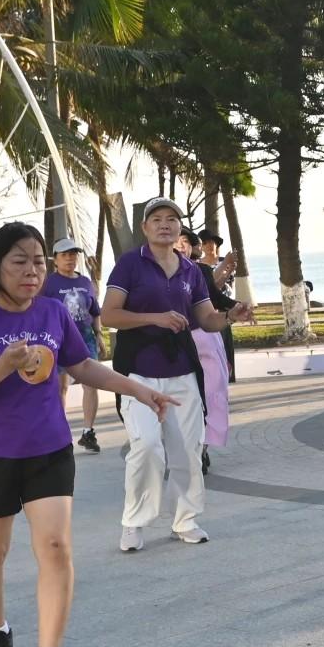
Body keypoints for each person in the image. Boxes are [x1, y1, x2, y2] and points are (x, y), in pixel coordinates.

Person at [0, 221, 172, 647]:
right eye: (20, 262)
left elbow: (82, 364)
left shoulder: (51, 313)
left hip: (48, 448)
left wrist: (138, 390)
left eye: (38, 262)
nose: (32, 272)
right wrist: (2, 364)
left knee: (55, 547)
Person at [100, 198, 250, 552]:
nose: (165, 224)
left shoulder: (191, 271)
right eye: (157, 219)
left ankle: (186, 519)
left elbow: (206, 319)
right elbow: (109, 315)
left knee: (187, 451)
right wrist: (154, 317)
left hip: (182, 372)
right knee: (147, 446)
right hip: (138, 374)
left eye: (172, 219)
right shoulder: (129, 265)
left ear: (180, 228)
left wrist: (231, 316)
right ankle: (134, 522)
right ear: (145, 227)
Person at [47, 238, 105, 455]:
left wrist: (99, 335)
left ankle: (88, 432)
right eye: (65, 255)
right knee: (60, 387)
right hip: (58, 338)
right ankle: (58, 432)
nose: (70, 259)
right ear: (56, 259)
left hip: (85, 337)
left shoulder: (85, 282)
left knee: (91, 384)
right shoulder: (49, 283)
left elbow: (95, 311)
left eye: (73, 254)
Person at [189, 231, 239, 476]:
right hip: (184, 341)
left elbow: (215, 296)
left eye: (189, 244)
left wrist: (236, 309)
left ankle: (203, 448)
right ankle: (190, 448)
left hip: (212, 331)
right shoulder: (160, 272)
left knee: (214, 391)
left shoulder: (202, 271)